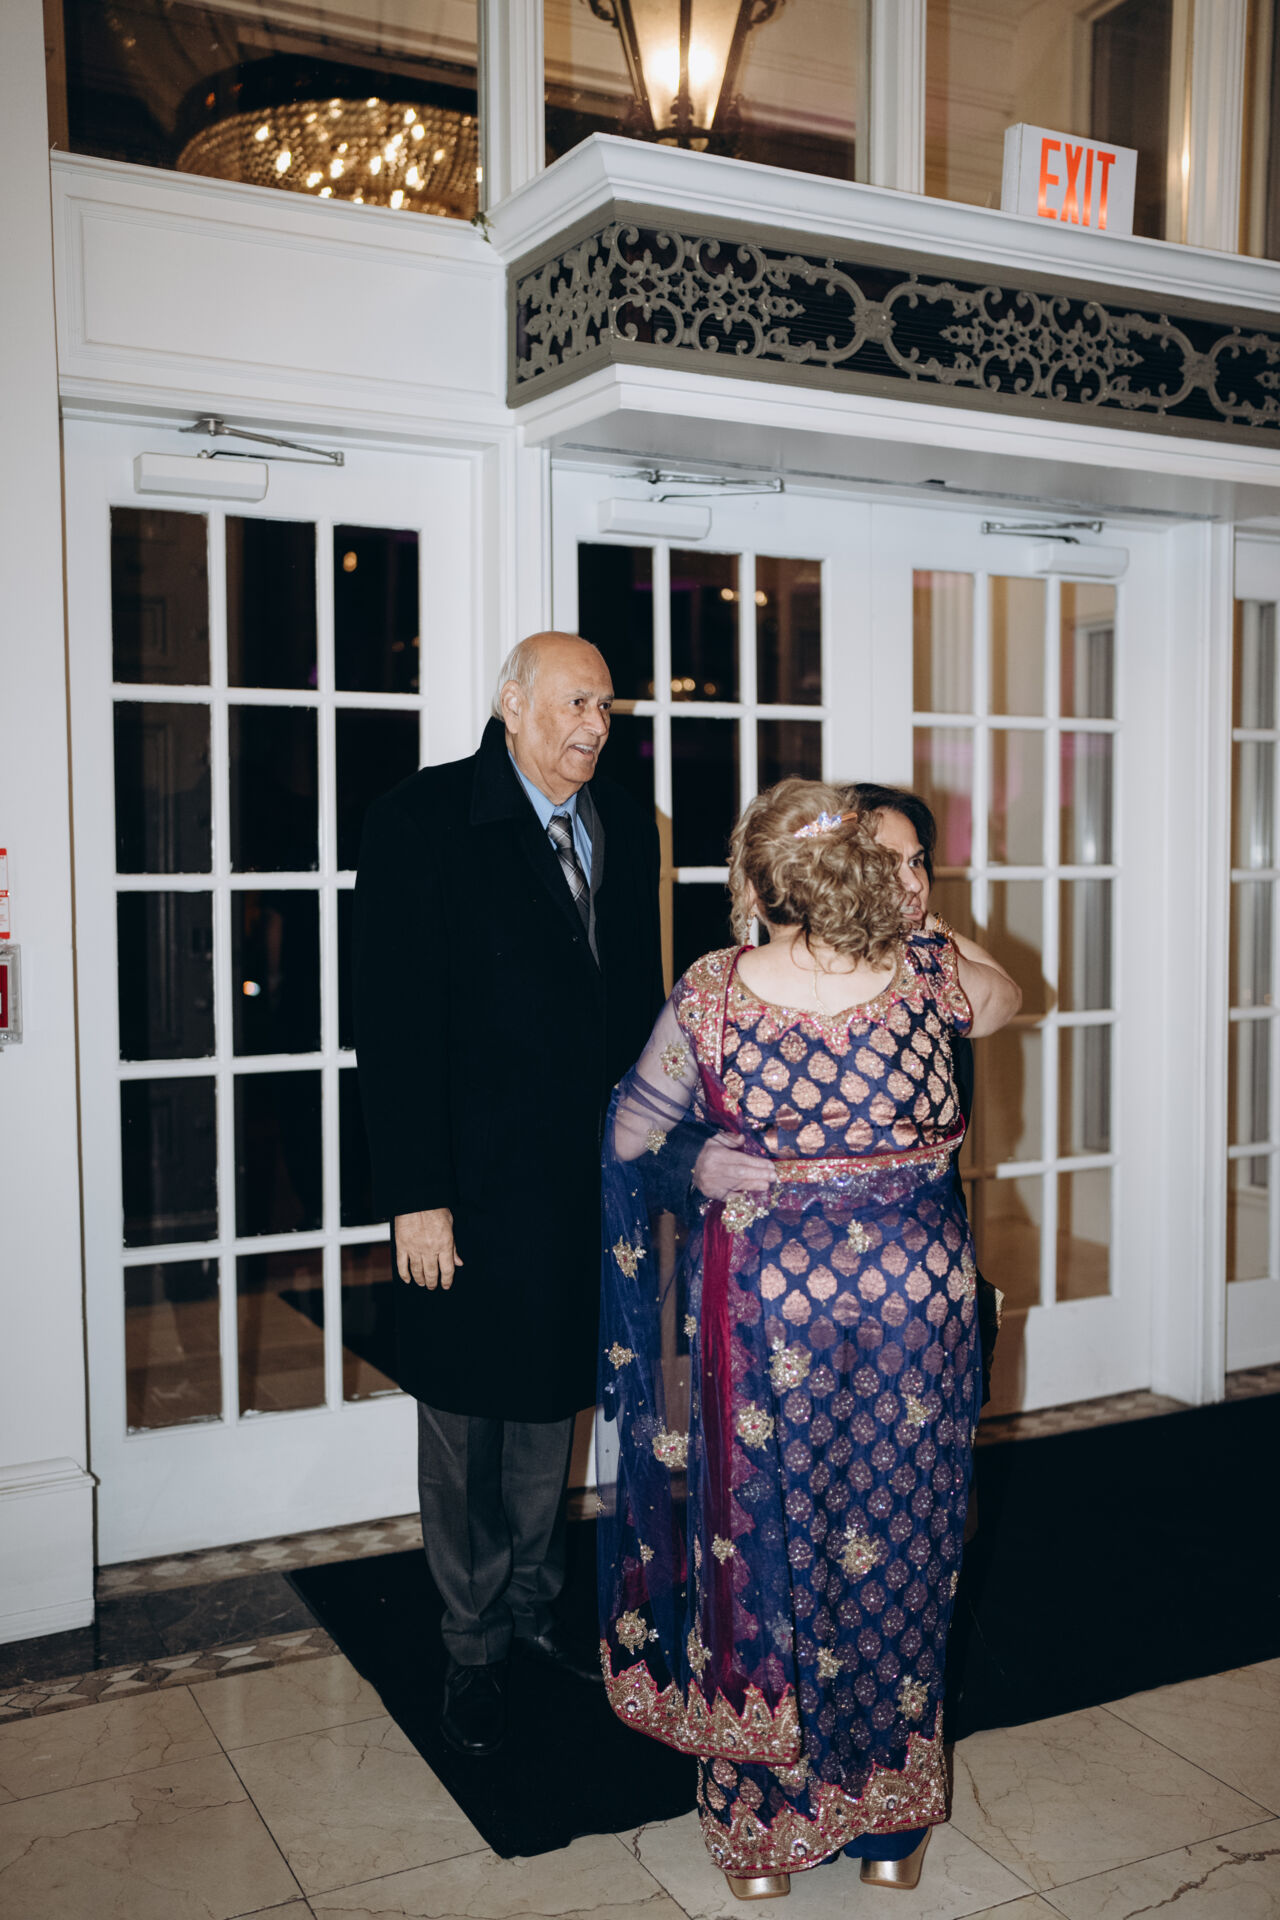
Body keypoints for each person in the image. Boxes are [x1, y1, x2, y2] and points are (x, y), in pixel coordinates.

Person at [597, 781, 1020, 1896]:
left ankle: (761, 1836)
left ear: (756, 883)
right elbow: (1007, 999)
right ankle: (886, 1832)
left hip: (768, 1311)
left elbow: (630, 1130)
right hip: (914, 1312)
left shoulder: (714, 990)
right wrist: (922, 923)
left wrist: (696, 1160)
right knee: (903, 1541)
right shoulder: (927, 975)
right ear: (866, 877)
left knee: (763, 1543)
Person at [353, 630, 667, 1760]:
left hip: (585, 1184)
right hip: (470, 1188)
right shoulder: (421, 820)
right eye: (575, 702)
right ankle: (472, 1644)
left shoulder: (626, 822)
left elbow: (639, 1006)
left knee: (548, 1403)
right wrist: (416, 1196)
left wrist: (653, 1158)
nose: (595, 725)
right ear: (511, 702)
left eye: (607, 707)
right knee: (464, 1418)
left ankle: (533, 1609)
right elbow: (392, 1025)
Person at [847, 782, 1009, 1407]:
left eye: (917, 861)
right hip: (836, 1260)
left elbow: (1003, 999)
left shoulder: (929, 962)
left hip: (931, 1235)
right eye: (889, 864)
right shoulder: (810, 971)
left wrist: (931, 932)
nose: (913, 882)